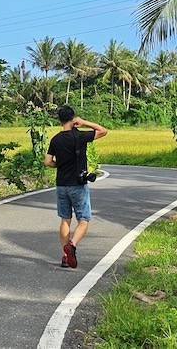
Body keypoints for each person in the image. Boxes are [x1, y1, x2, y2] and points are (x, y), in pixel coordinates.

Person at [45, 105, 107, 268]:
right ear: (73, 119)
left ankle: (65, 256)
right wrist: (83, 122)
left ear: (59, 121)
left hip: (61, 185)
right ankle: (72, 245)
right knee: (84, 219)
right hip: (78, 185)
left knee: (65, 219)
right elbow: (103, 131)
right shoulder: (79, 136)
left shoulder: (55, 140)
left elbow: (48, 162)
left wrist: (60, 165)